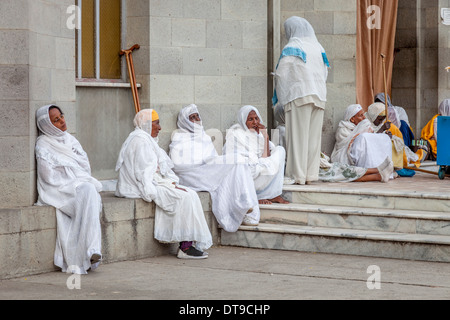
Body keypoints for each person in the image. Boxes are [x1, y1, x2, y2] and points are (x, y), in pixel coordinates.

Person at [115, 109, 212, 259]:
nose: (160, 128)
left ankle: (190, 243)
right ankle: (185, 248)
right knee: (184, 197)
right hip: (139, 186)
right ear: (147, 125)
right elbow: (143, 174)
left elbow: (160, 168)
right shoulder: (139, 141)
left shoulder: (147, 140)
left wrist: (170, 183)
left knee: (191, 194)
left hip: (154, 181)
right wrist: (160, 188)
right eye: (156, 123)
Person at [35, 105, 103, 275]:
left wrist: (72, 173)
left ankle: (92, 250)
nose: (62, 121)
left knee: (90, 192)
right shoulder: (43, 144)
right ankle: (89, 252)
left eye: (62, 117)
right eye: (56, 120)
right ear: (47, 125)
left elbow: (84, 165)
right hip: (60, 191)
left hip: (79, 185)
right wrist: (71, 178)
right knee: (89, 194)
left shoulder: (70, 140)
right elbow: (48, 177)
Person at [169, 104, 260, 228]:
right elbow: (177, 166)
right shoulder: (180, 138)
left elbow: (212, 157)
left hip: (207, 169)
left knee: (239, 160)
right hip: (192, 175)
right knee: (235, 160)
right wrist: (205, 162)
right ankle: (242, 204)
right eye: (192, 118)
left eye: (197, 116)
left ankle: (246, 205)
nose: (196, 120)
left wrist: (210, 162)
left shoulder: (204, 136)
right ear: (185, 121)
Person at [272, 16, 329, 185]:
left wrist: (281, 98)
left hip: (299, 95)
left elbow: (282, 73)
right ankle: (311, 175)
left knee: (297, 137)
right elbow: (325, 71)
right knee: (313, 138)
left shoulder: (293, 46)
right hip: (319, 95)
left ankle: (296, 175)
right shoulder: (318, 47)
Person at [223, 105, 289, 205]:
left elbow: (268, 156)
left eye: (256, 118)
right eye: (250, 119)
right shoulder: (235, 135)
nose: (255, 122)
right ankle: (256, 196)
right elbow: (236, 163)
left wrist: (265, 137)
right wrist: (260, 162)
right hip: (249, 178)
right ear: (243, 121)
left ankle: (273, 194)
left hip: (261, 170)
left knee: (280, 150)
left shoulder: (258, 135)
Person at [330, 104, 393, 182]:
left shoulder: (362, 127)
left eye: (363, 115)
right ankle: (379, 170)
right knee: (362, 138)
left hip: (356, 156)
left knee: (383, 138)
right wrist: (362, 130)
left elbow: (371, 139)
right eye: (361, 115)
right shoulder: (343, 128)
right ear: (352, 119)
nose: (364, 118)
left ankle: (380, 171)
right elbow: (352, 143)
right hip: (343, 157)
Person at [366, 102, 424, 172]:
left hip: (408, 145)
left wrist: (388, 136)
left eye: (382, 120)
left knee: (396, 143)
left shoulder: (393, 124)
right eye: (380, 119)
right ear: (373, 116)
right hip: (371, 154)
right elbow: (370, 140)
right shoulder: (366, 124)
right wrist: (382, 130)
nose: (381, 122)